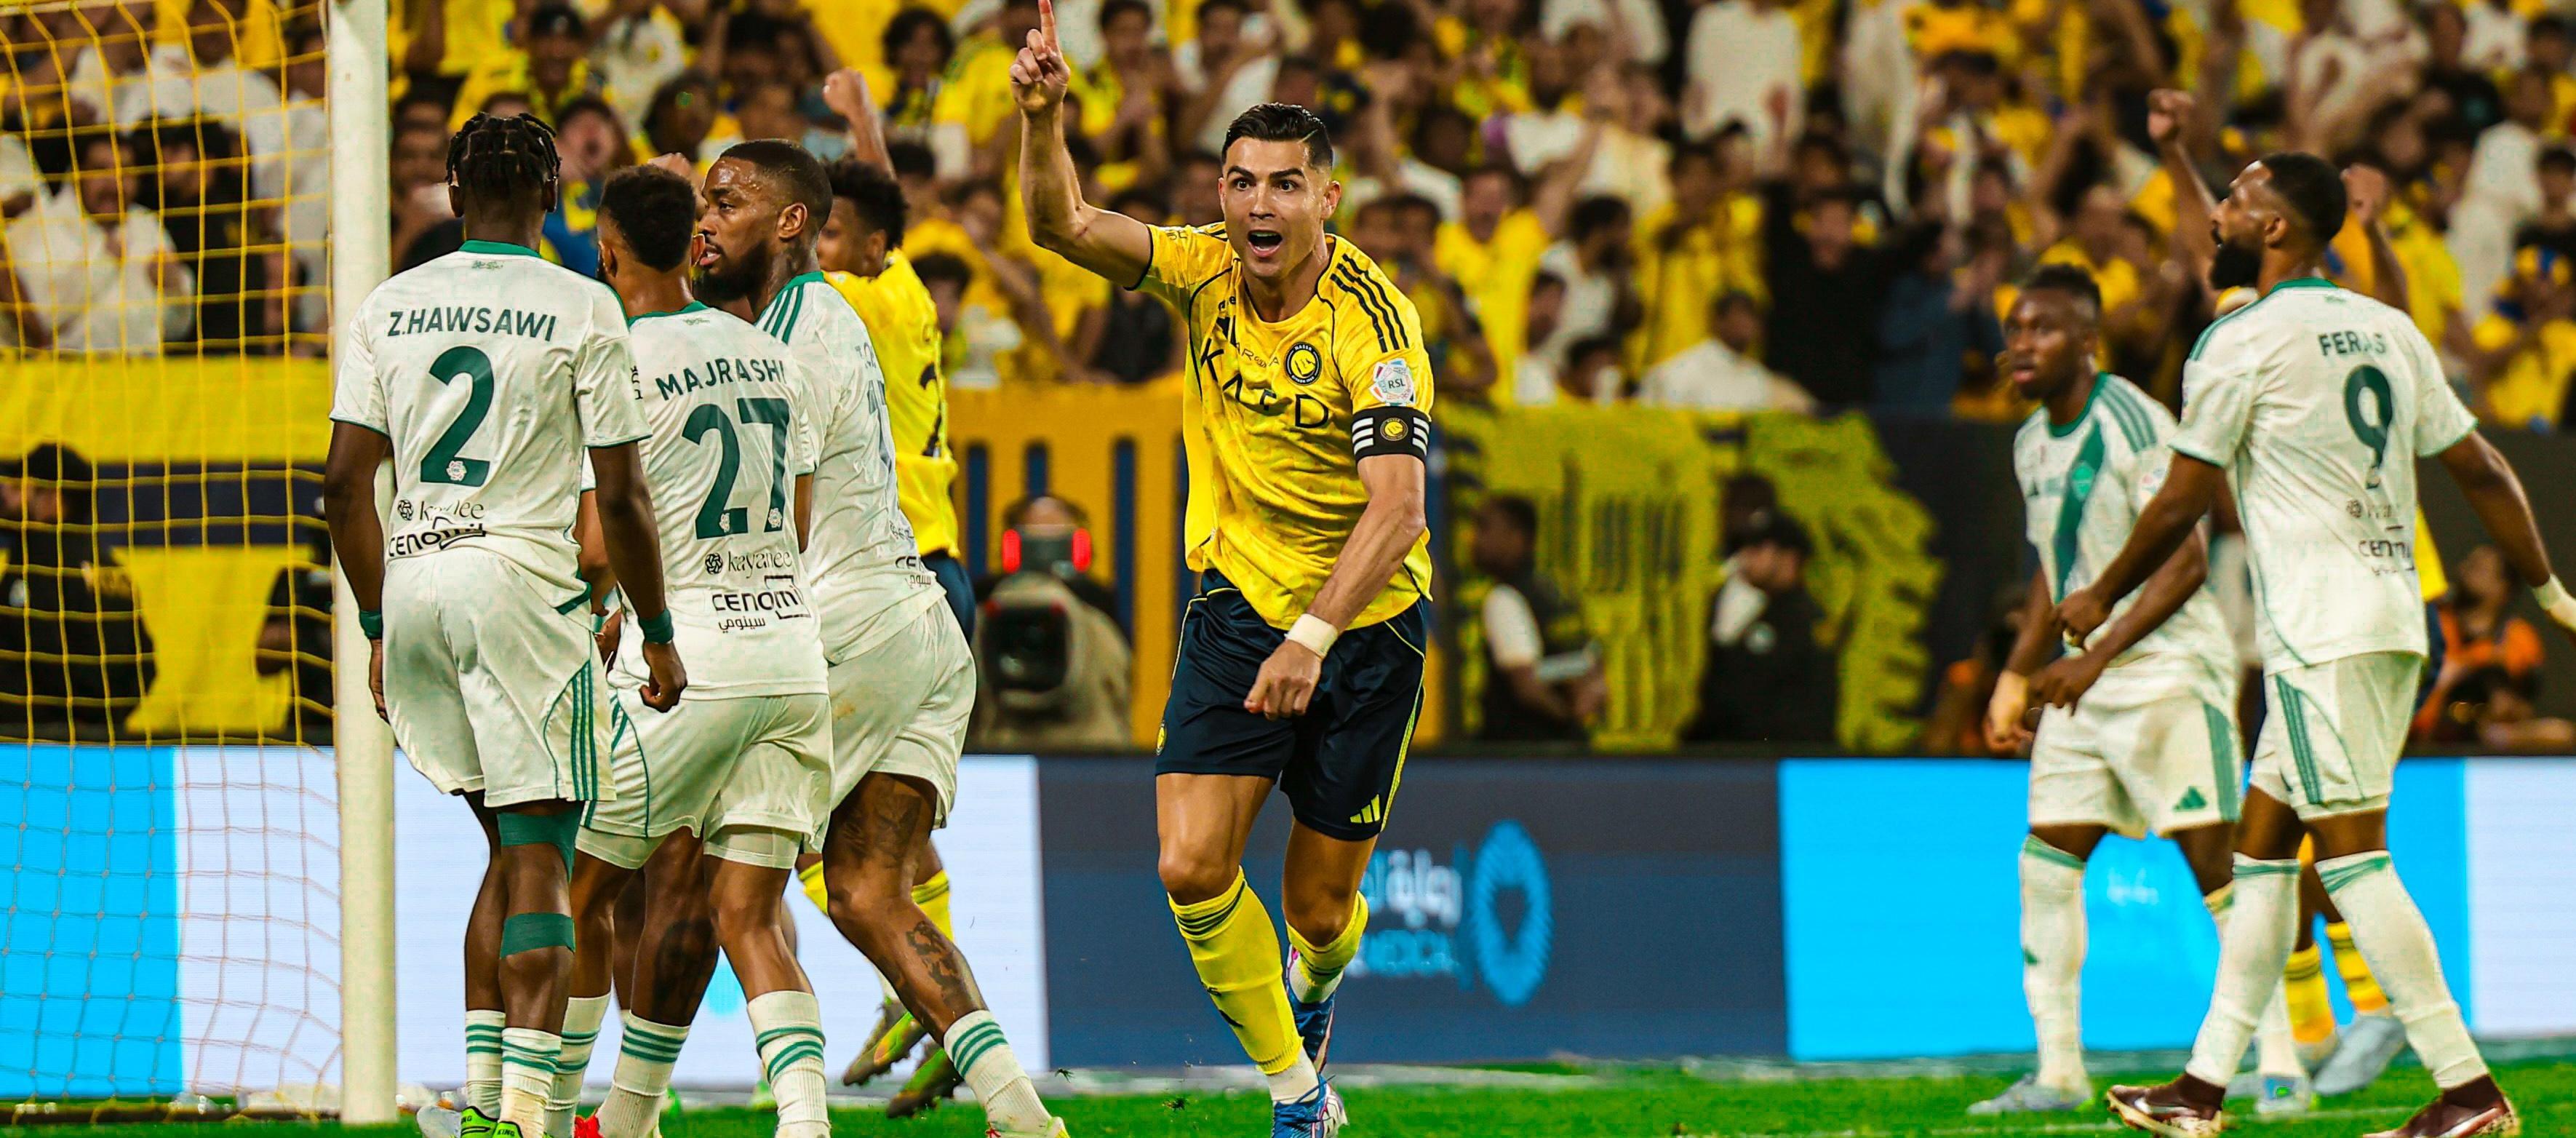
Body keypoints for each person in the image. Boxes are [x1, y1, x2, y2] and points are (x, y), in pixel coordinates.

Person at [2064, 146, 2576, 1138]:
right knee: (2262, 858)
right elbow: (2479, 468)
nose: (2216, 215)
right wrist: (2550, 591)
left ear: (2275, 227)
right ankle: (2201, 1090)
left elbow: (2180, 499)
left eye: (2234, 200)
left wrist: (2100, 591)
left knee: (2351, 862)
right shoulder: (2386, 327)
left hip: (2317, 635)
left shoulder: (2237, 340)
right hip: (2389, 619)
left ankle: (2468, 1091)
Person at [1016, 0, 1437, 1126]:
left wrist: (1314, 638)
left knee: (1320, 912)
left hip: (1363, 627)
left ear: (1327, 200)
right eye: (1242, 182)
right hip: (1240, 607)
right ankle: (1301, 1096)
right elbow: (1061, 224)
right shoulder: (1199, 269)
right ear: (1221, 192)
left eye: (1286, 185)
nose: (1260, 205)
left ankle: (1318, 984)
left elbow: (1398, 511)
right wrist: (1043, 118)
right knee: (1192, 867)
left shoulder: (1375, 326)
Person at [602, 138, 1063, 1138]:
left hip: (844, 624)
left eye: (727, 203)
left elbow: (782, 522)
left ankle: (638, 1119)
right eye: (700, 204)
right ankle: (1023, 1115)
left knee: (701, 879)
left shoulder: (792, 339)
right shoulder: (808, 320)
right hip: (916, 628)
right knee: (865, 893)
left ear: (790, 222)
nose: (707, 220)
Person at [322, 113, 685, 1138]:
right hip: (519, 593)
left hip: (416, 584)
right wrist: (656, 629)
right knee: (542, 860)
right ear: (553, 196)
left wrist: (379, 621)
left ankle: (483, 1105)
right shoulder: (583, 304)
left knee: (504, 845)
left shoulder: (389, 304)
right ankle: (525, 1119)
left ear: (451, 192)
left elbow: (344, 487)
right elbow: (621, 498)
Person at [538, 165, 835, 1138]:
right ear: (690, 246)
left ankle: (545, 1116)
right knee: (748, 910)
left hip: (687, 666)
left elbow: (598, 546)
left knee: (575, 893)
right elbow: (796, 521)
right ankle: (804, 1122)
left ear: (607, 252)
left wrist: (618, 611)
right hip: (789, 658)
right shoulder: (768, 353)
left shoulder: (616, 358)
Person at [1974, 265, 2309, 1117]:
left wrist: (2093, 656)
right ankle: (2057, 1072)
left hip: (2169, 671)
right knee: (2046, 863)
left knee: (2216, 870)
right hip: (2085, 681)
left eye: (2042, 328)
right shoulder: (2029, 442)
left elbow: (2186, 559)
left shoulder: (2131, 421)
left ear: (2088, 341)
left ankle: (2280, 1066)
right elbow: (2056, 569)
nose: (2021, 344)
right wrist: (2014, 673)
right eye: (2014, 328)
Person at [813, 68, 981, 1113]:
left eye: (828, 234)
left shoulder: (850, 300)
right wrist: (863, 125)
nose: (814, 245)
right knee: (896, 833)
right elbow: (878, 207)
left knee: (800, 807)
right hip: (938, 572)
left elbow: (783, 264)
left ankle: (911, 991)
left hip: (887, 579)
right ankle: (926, 1000)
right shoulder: (904, 284)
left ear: (865, 248)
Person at [0, 442, 155, 728]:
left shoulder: (37, 559)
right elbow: (146, 663)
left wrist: (65, 723)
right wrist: (104, 721)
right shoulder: (110, 566)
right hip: (106, 736)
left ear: (53, 498)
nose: (6, 495)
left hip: (40, 739)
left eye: (18, 487)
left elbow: (33, 651)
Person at [1678, 510, 1835, 744]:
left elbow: (1801, 708)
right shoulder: (1743, 610)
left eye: (1757, 549)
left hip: (1775, 755)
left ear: (1789, 558)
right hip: (1733, 754)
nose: (1745, 557)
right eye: (1743, 548)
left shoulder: (1805, 621)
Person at [1467, 495, 1603, 744]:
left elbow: (1526, 686)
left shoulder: (1504, 598)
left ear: (1516, 537)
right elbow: (1593, 670)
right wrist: (1577, 724)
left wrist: (1567, 720)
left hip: (1520, 751)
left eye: (1485, 529)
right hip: (1570, 752)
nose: (1475, 540)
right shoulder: (1558, 592)